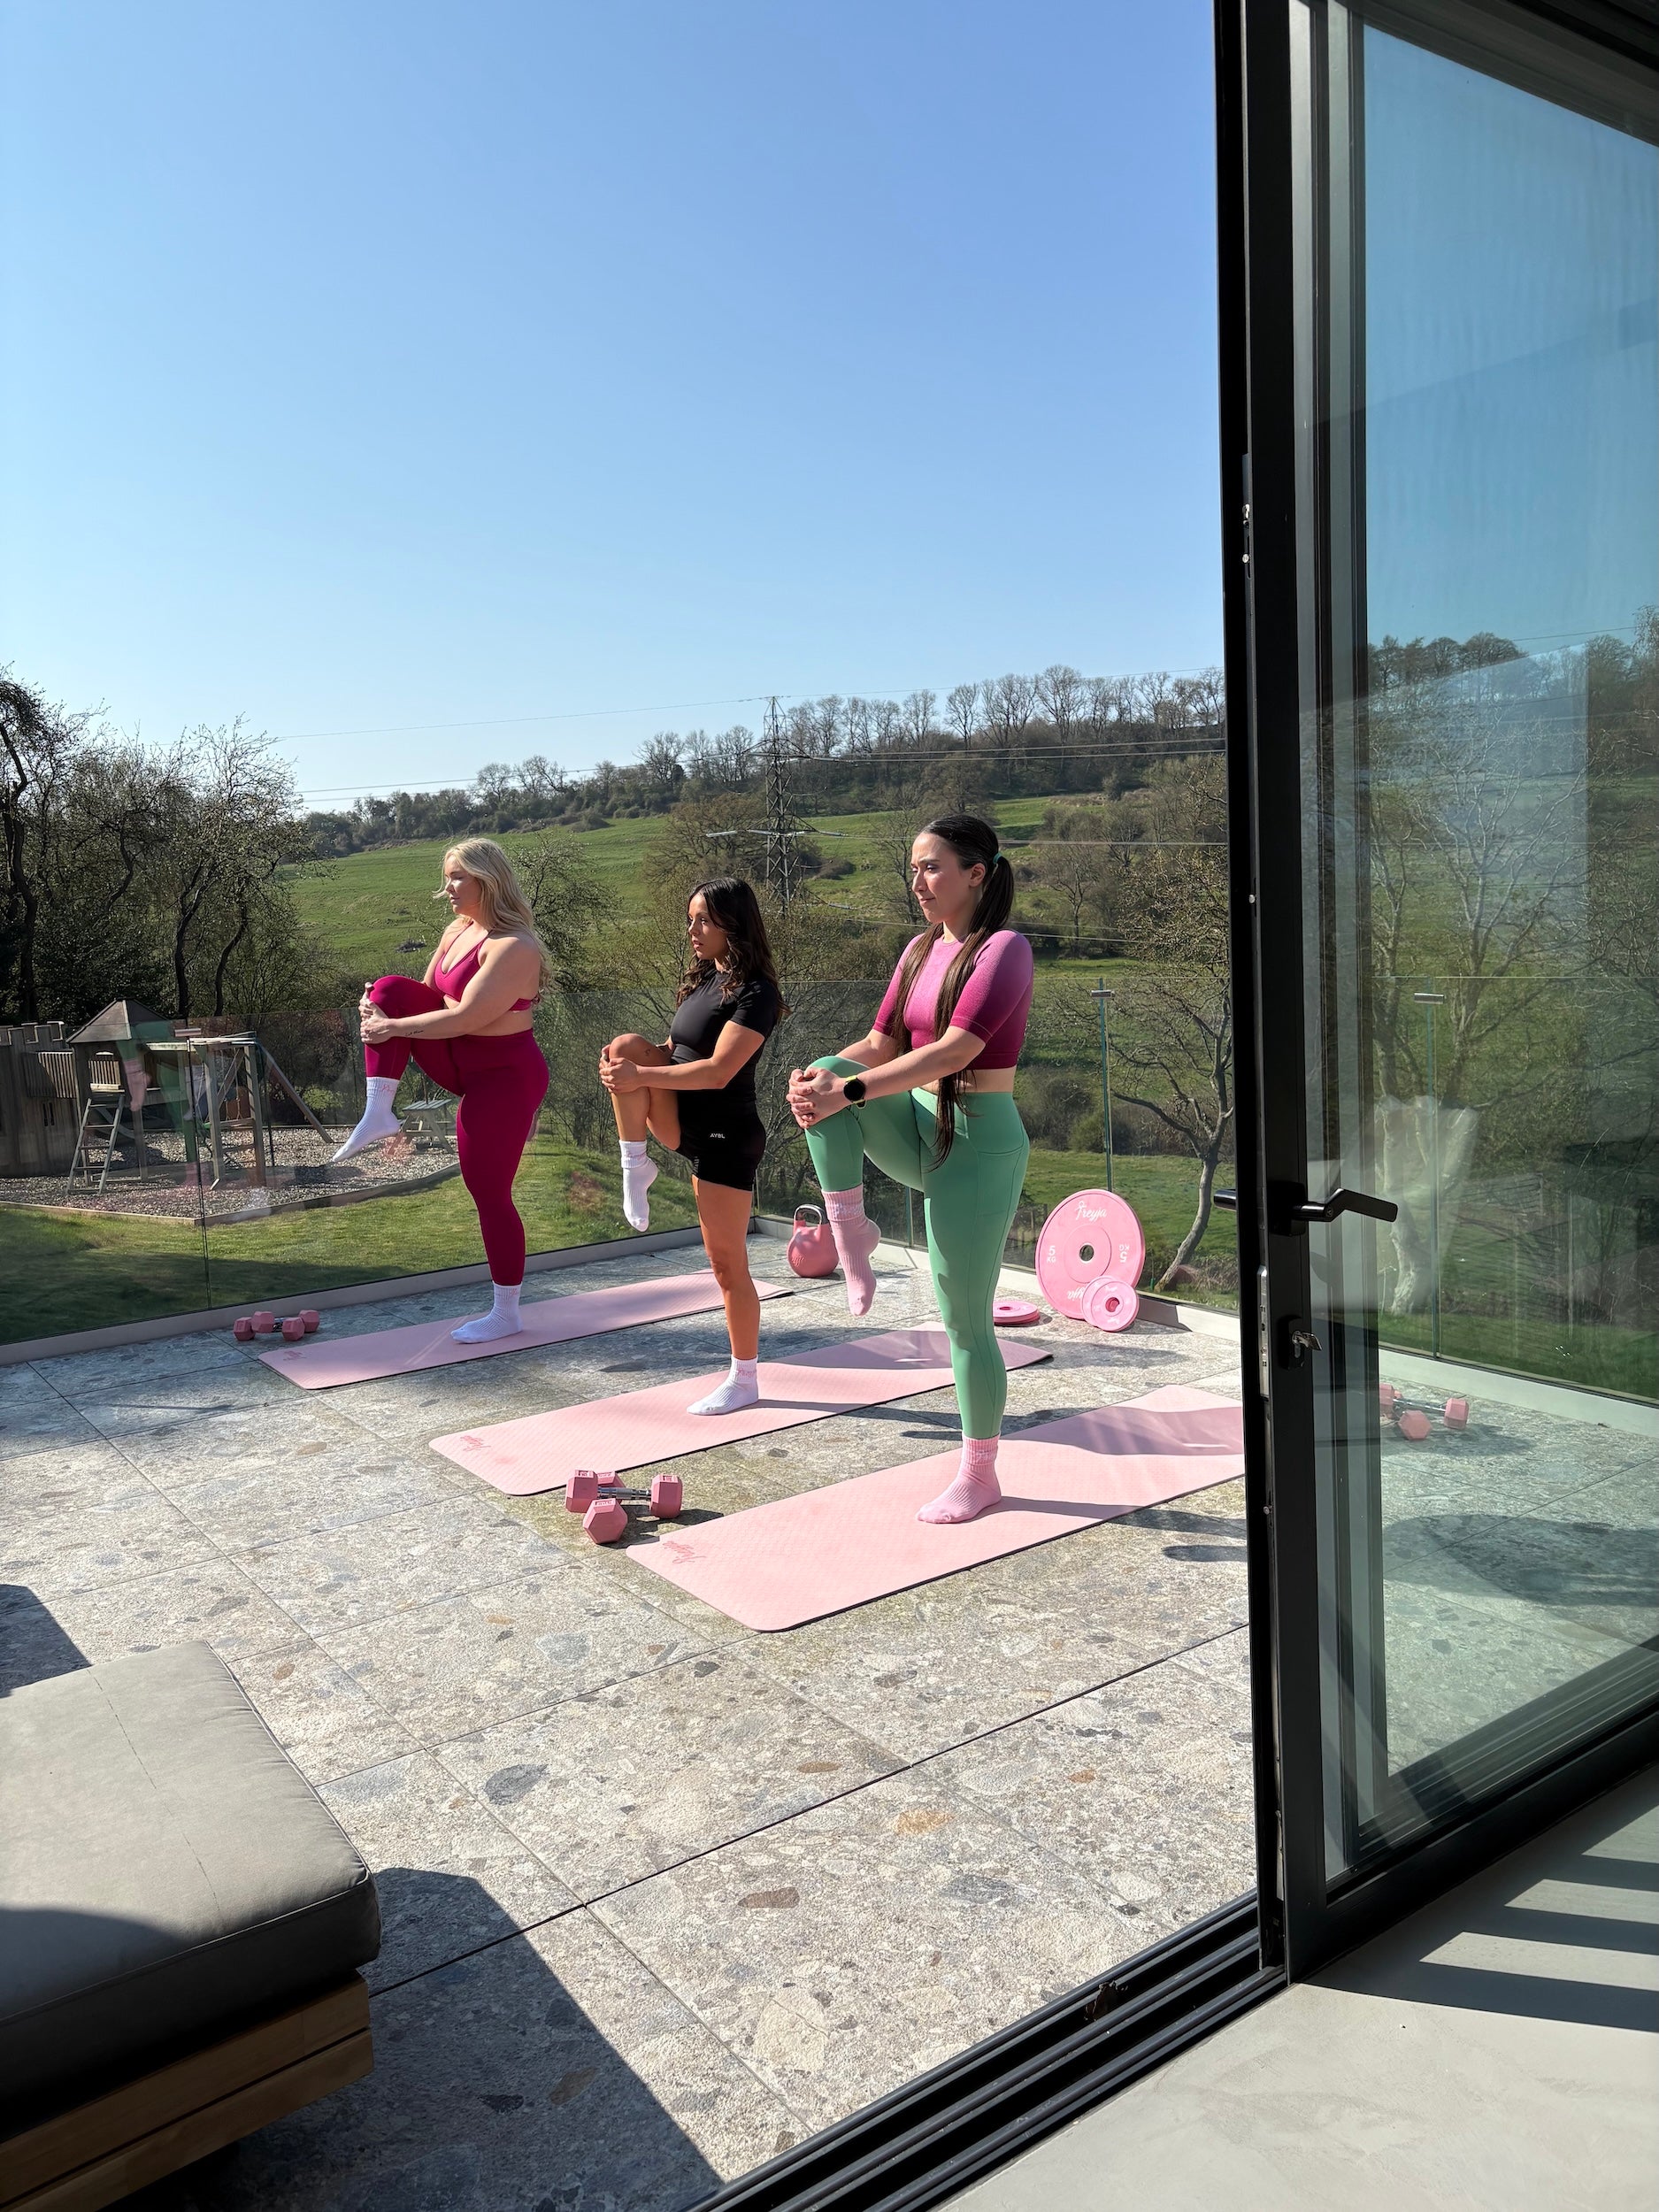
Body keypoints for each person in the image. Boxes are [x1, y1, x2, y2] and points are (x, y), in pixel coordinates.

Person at [787, 813, 1033, 1524]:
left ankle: (979, 1473)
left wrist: (852, 1091)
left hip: (979, 1144)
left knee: (963, 1322)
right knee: (828, 1072)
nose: (917, 881)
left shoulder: (1003, 950)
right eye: (913, 869)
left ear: (975, 873)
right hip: (918, 1121)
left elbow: (956, 1050)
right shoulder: (920, 949)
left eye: (931, 867)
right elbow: (876, 1041)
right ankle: (850, 1231)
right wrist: (820, 1081)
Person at [332, 838, 551, 1345]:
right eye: (446, 876)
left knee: (488, 1193)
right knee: (388, 988)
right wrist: (380, 1013)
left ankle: (507, 1310)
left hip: (504, 1076)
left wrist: (392, 1030)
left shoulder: (515, 946)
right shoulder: (458, 930)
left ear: (487, 881)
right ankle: (378, 1110)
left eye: (458, 878)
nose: (446, 888)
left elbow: (467, 1016)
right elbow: (426, 995)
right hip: (458, 1058)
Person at [600, 879, 781, 1415]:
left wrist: (639, 1077)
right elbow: (676, 1052)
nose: (692, 930)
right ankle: (635, 1164)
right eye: (690, 919)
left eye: (703, 919)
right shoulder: (705, 980)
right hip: (683, 1119)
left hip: (725, 1134)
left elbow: (721, 1071)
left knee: (727, 1264)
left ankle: (744, 1378)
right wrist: (627, 1069)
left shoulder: (757, 992)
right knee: (625, 1045)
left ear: (733, 923)